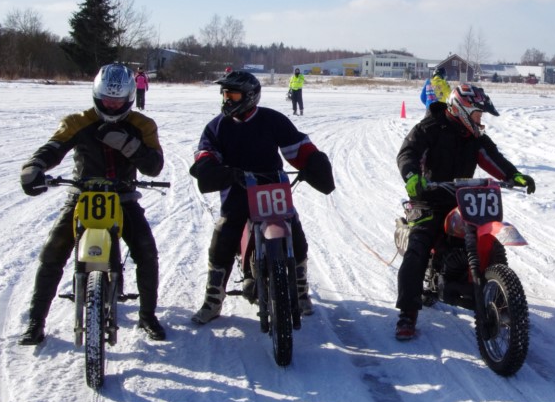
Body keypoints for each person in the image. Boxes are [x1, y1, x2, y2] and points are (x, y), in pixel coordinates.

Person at [18, 63, 167, 344]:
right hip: (82, 195)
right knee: (52, 253)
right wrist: (35, 165)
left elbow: (154, 166)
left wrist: (129, 145)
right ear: (96, 95)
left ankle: (148, 316)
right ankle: (36, 322)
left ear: (129, 98)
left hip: (123, 196)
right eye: (106, 99)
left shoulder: (142, 125)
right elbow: (54, 146)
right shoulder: (78, 121)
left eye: (118, 101)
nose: (111, 105)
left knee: (147, 252)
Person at [189, 70, 334, 325]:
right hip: (237, 188)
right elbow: (206, 153)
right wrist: (208, 167)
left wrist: (313, 162)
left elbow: (298, 147)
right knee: (224, 236)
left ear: (250, 96)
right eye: (225, 94)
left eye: (233, 95)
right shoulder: (217, 126)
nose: (227, 99)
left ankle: (300, 289)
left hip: (272, 187)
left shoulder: (272, 120)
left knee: (295, 231)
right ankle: (213, 299)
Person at [394, 83, 535, 341]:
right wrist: (412, 176)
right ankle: (407, 313)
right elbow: (408, 153)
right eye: (478, 114)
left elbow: (493, 158)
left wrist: (513, 175)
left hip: (462, 199)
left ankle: (499, 297)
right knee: (418, 247)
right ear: (462, 109)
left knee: (490, 243)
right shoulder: (428, 128)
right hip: (429, 199)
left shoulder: (474, 137)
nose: (480, 121)